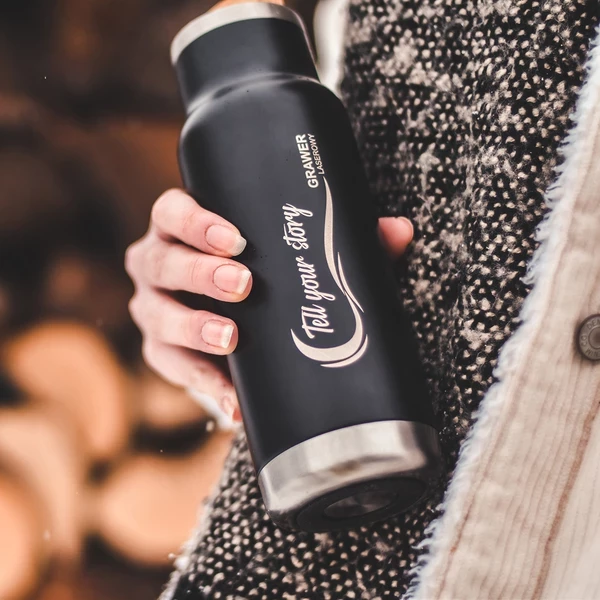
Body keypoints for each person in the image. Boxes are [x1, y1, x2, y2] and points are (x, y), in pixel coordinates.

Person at [126, 0, 600, 598]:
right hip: (356, 528)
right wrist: (198, 300)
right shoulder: (322, 68)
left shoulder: (294, 103)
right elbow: (308, 218)